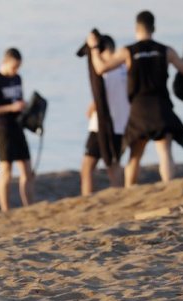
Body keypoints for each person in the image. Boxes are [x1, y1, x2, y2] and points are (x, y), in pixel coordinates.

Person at [87, 10, 183, 186]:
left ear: (137, 28)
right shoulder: (165, 50)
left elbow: (101, 68)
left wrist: (93, 48)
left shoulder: (128, 51)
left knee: (135, 156)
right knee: (165, 151)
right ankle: (169, 188)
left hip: (138, 109)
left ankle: (130, 191)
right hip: (160, 106)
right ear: (154, 28)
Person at [0, 48, 34, 212]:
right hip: (3, 129)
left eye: (18, 67)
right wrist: (11, 107)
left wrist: (24, 107)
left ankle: (28, 205)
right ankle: (5, 209)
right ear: (5, 63)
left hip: (18, 127)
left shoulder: (17, 78)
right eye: (13, 67)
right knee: (6, 171)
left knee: (27, 168)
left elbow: (18, 100)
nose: (16, 70)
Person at [81, 35, 129, 196]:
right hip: (121, 124)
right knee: (113, 164)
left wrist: (90, 109)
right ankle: (119, 195)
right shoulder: (124, 68)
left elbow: (100, 96)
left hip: (101, 124)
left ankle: (87, 199)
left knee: (87, 167)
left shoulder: (107, 69)